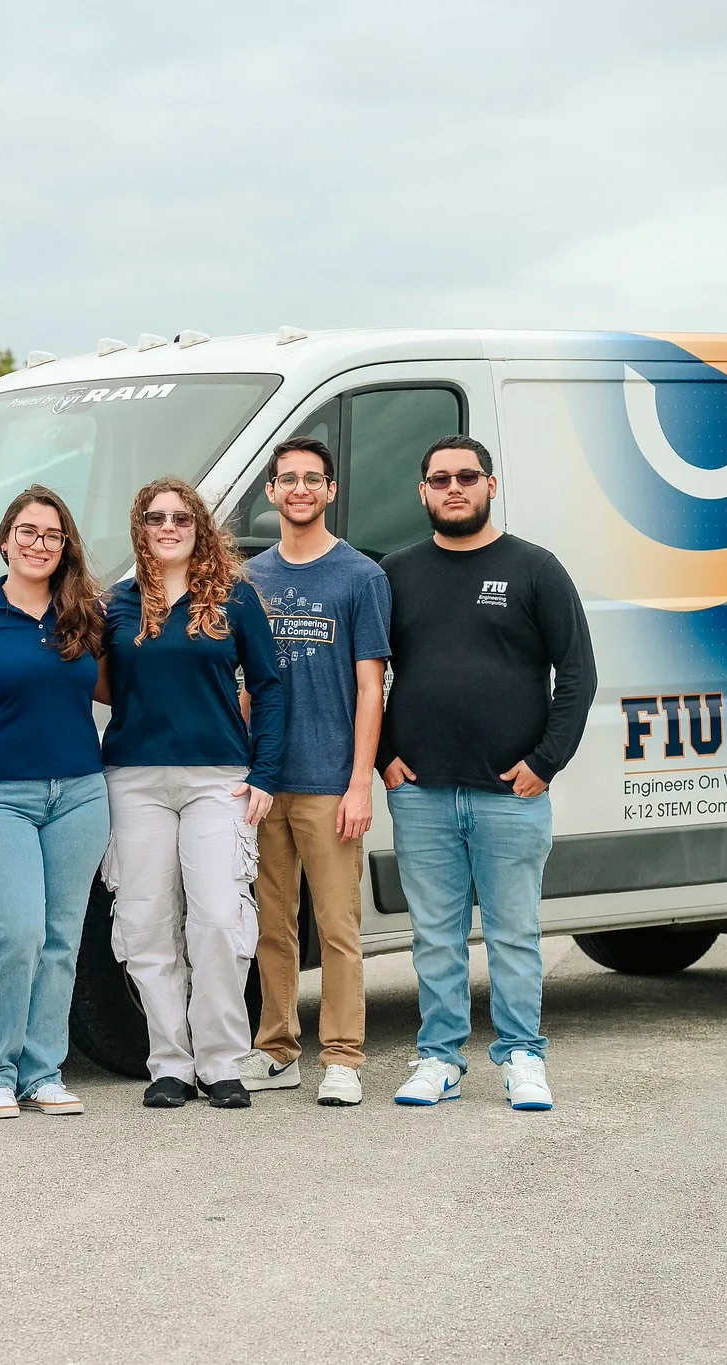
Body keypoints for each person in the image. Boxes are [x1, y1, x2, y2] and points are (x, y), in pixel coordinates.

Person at [378, 435, 595, 1112]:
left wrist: (545, 761)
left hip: (511, 793)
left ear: (490, 485)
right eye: (439, 477)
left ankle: (523, 1055)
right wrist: (385, 753)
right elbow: (366, 673)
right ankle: (439, 1058)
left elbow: (578, 675)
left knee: (513, 933)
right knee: (435, 935)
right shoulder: (396, 573)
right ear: (422, 492)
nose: (453, 487)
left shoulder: (535, 568)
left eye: (466, 476)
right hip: (422, 794)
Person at [98, 477, 286, 1110]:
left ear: (200, 526)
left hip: (218, 780)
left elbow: (271, 686)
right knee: (146, 926)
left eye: (181, 517)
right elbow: (93, 683)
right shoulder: (117, 606)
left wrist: (264, 774)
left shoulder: (234, 600)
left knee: (220, 921)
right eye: (155, 518)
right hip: (135, 779)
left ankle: (222, 1063)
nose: (169, 526)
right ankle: (171, 1064)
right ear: (140, 529)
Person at [0, 486, 110, 1120]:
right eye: (29, 532)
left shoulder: (84, 617)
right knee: (16, 932)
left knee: (62, 937)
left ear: (64, 548)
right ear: (7, 539)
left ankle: (43, 1071)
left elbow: (129, 691)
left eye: (53, 535)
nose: (40, 544)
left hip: (79, 796)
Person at [237, 437, 390, 1107]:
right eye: (287, 479)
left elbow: (370, 686)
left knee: (336, 927)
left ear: (330, 491)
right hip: (265, 781)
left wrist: (361, 780)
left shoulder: (361, 577)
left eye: (312, 479)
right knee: (271, 924)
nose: (299, 489)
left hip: (331, 781)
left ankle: (343, 1057)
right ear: (270, 492)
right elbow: (243, 683)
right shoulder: (250, 579)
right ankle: (276, 1049)